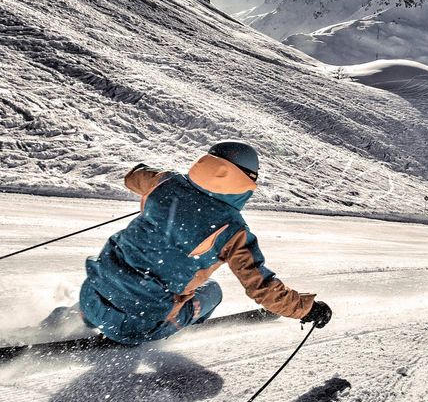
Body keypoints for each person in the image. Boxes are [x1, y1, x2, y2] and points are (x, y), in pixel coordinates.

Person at [77, 141, 332, 344]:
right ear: (246, 180)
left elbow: (133, 177)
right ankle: (173, 323)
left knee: (127, 276)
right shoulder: (232, 230)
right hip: (139, 327)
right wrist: (307, 310)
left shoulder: (165, 182)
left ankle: (94, 314)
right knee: (212, 291)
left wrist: (165, 186)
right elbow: (262, 288)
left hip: (89, 296)